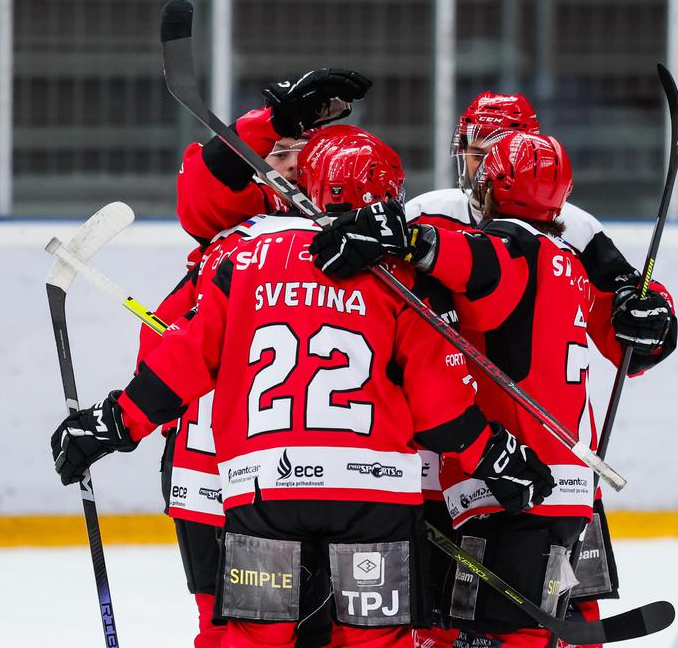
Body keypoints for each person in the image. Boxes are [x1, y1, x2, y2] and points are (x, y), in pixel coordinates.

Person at [51, 125, 555, 648]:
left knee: (253, 638)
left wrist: (117, 420)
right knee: (376, 641)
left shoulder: (246, 259)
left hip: (264, 487)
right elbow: (439, 405)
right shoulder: (399, 274)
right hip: (372, 494)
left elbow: (184, 357)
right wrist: (493, 453)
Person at [311, 90, 677, 647]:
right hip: (446, 449)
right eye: (474, 152)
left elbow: (627, 324)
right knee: (442, 613)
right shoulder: (433, 209)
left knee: (550, 607)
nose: (480, 166)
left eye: (493, 151)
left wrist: (655, 320)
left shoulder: (572, 231)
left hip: (528, 445)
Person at [137, 68, 372, 648]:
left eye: (304, 154)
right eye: (282, 153)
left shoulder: (359, 244)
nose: (292, 165)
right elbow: (201, 190)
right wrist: (269, 125)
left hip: (325, 475)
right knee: (227, 630)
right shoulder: (234, 233)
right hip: (214, 470)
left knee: (331, 631)